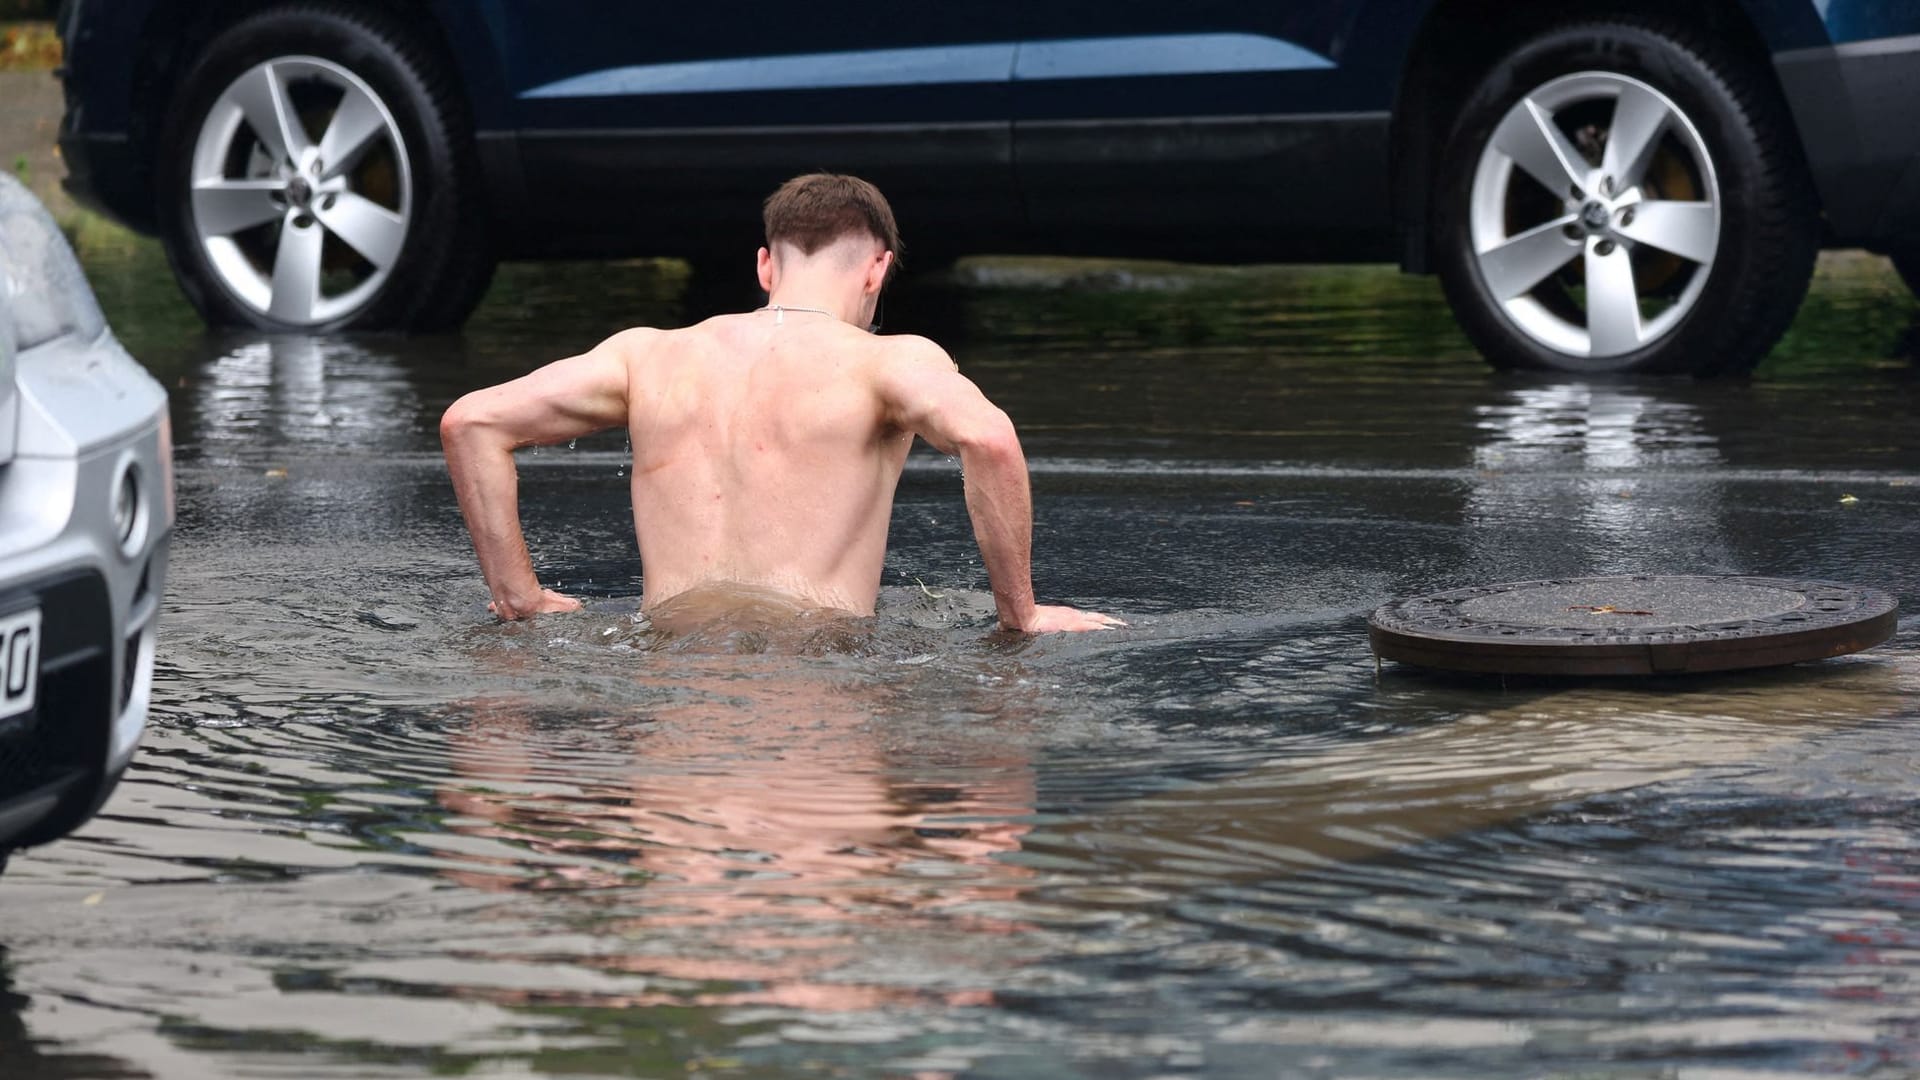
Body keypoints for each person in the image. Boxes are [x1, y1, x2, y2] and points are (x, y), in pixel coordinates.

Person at [441, 172, 1121, 634]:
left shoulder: (645, 355)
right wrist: (1021, 613)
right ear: (878, 269)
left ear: (766, 266)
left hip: (664, 671)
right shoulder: (889, 361)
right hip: (817, 673)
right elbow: (991, 440)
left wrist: (518, 597)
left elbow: (470, 422)